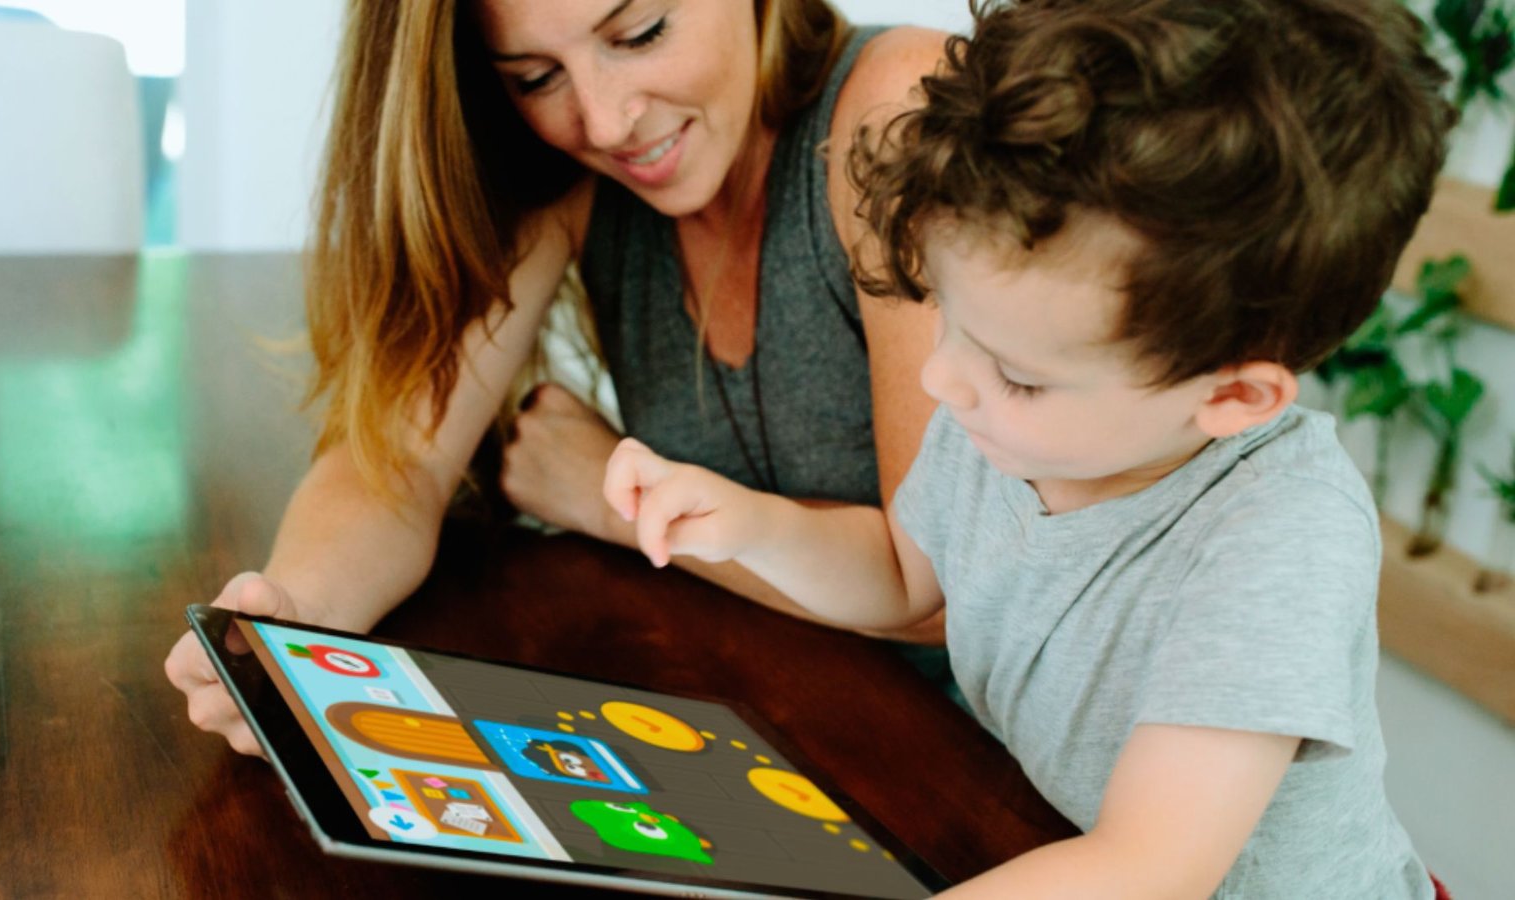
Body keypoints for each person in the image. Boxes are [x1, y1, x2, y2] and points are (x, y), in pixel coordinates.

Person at [603, 0, 1456, 895]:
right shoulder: (1010, 429)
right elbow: (903, 581)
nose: (943, 381)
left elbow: (1145, 867)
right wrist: (746, 527)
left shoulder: (1281, 536)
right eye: (953, 321)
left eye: (1016, 371)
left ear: (1233, 397)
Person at [166, 0, 957, 756]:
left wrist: (609, 505)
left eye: (641, 31)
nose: (607, 121)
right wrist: (294, 625)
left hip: (994, 758)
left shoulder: (898, 107)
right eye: (535, 77)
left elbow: (942, 599)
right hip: (802, 724)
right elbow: (398, 464)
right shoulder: (572, 176)